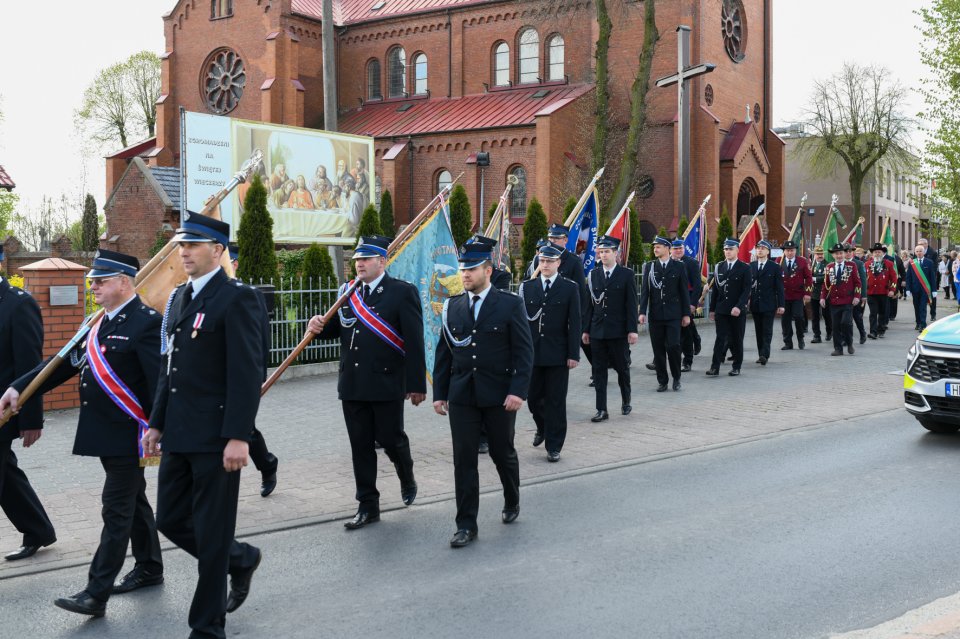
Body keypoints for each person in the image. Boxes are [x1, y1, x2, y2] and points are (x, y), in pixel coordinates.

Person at [2, 250, 163, 616]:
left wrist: (158, 427)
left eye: (101, 281)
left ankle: (96, 592)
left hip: (130, 433)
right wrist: (19, 388)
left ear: (124, 282)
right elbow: (59, 365)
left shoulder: (146, 323)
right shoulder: (99, 322)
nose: (93, 287)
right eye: (92, 280)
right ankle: (151, 566)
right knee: (134, 500)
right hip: (105, 432)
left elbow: (160, 382)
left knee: (116, 509)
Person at [142, 211, 264, 639]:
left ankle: (207, 626)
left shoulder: (237, 298)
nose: (184, 252)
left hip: (216, 438)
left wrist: (238, 436)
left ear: (218, 250)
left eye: (192, 245)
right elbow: (168, 368)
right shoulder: (179, 298)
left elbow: (246, 374)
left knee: (211, 532)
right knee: (171, 520)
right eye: (181, 245)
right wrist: (156, 423)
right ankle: (239, 559)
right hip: (178, 432)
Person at [307, 235, 425, 529]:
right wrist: (317, 327)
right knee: (360, 445)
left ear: (382, 262)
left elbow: (414, 340)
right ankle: (367, 505)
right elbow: (337, 329)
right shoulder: (347, 292)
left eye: (365, 259)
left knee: (390, 439)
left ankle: (405, 472)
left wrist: (417, 383)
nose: (358, 264)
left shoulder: (401, 292)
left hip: (386, 382)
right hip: (353, 383)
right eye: (357, 259)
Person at [433, 241, 533, 548]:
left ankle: (512, 498)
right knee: (463, 460)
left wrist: (518, 391)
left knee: (502, 453)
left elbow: (524, 352)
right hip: (462, 395)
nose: (465, 274)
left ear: (487, 271)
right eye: (462, 269)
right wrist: (440, 393)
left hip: (499, 395)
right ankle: (466, 524)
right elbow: (444, 354)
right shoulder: (453, 306)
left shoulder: (509, 304)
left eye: (471, 269)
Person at [0, 252, 56, 562]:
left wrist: (32, 419)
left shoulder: (18, 304)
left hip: (5, 410)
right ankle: (38, 530)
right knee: (7, 475)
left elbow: (30, 366)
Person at [519, 243, 580, 462]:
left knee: (556, 401)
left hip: (558, 354)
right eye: (542, 261)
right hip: (532, 355)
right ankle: (542, 427)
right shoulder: (527, 287)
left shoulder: (569, 288)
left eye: (549, 261)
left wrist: (574, 354)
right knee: (534, 399)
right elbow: (521, 324)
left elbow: (575, 322)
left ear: (558, 263)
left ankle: (554, 446)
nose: (545, 265)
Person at [228, 244, 279, 498]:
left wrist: (259, 376)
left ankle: (267, 465)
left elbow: (261, 340)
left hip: (240, 379)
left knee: (244, 428)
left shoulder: (246, 295)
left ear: (234, 264)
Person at [464, 234, 510, 455]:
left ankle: (488, 436)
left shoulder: (501, 277)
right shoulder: (465, 279)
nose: (467, 271)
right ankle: (479, 436)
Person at [583, 236, 638, 421]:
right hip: (598, 330)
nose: (603, 254)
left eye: (607, 251)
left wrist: (632, 330)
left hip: (618, 331)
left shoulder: (626, 274)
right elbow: (589, 305)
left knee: (622, 368)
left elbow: (631, 304)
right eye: (601, 251)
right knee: (599, 371)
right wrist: (586, 330)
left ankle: (626, 400)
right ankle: (602, 409)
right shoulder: (593, 275)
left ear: (616, 253)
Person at [639, 236, 691, 391]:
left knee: (674, 346)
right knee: (658, 349)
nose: (655, 249)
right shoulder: (650, 267)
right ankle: (662, 380)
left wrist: (686, 314)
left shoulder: (678, 267)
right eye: (654, 247)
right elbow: (645, 292)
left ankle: (676, 377)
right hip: (656, 315)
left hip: (673, 314)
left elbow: (684, 292)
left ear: (668, 248)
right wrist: (642, 312)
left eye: (658, 247)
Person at [706, 238, 752, 377]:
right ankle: (715, 367)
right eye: (725, 249)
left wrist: (739, 306)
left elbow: (746, 290)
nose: (727, 252)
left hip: (737, 311)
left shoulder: (745, 268)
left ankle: (736, 366)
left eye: (730, 249)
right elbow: (716, 290)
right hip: (722, 309)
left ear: (737, 250)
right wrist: (712, 309)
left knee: (736, 339)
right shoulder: (719, 267)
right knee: (720, 338)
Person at [820, 242, 862, 355]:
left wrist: (857, 296)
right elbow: (826, 284)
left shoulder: (851, 266)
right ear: (833, 255)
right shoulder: (829, 267)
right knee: (836, 326)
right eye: (836, 254)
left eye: (841, 253)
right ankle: (838, 348)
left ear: (844, 254)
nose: (839, 256)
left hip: (848, 301)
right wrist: (823, 298)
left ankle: (849, 342)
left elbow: (858, 283)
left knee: (846, 323)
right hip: (834, 301)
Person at [749, 240, 785, 365]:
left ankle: (765, 354)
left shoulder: (774, 267)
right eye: (758, 248)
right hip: (755, 303)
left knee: (767, 330)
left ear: (768, 251)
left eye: (763, 248)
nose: (760, 250)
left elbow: (779, 287)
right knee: (758, 330)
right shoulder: (751, 266)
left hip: (769, 304)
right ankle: (761, 354)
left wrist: (781, 305)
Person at [670, 240, 702, 371]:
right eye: (675, 248)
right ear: (671, 249)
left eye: (680, 248)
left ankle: (687, 361)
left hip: (686, 301)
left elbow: (696, 285)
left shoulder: (691, 263)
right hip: (672, 303)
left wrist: (693, 304)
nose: (678, 251)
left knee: (686, 332)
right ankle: (657, 360)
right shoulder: (668, 263)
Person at [779, 240, 812, 350]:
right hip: (784, 295)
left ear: (795, 250)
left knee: (798, 317)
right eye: (787, 250)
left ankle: (800, 338)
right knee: (785, 320)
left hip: (798, 295)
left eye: (792, 250)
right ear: (784, 251)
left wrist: (807, 293)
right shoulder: (779, 261)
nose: (789, 253)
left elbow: (808, 278)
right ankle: (788, 342)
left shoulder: (802, 261)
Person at [865, 242, 898, 339]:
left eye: (879, 252)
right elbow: (863, 278)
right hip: (871, 292)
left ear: (883, 253)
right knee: (873, 313)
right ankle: (873, 332)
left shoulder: (889, 264)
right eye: (875, 252)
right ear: (872, 254)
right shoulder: (867, 264)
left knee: (883, 313)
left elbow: (894, 278)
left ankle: (881, 329)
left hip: (884, 292)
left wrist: (892, 290)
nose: (877, 254)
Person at [905, 243, 937, 331]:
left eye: (920, 251)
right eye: (917, 251)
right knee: (916, 306)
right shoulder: (912, 263)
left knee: (923, 306)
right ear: (915, 252)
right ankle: (918, 322)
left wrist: (934, 290)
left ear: (924, 252)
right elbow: (908, 277)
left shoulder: (929, 262)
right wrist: (907, 289)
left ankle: (923, 324)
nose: (919, 253)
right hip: (915, 289)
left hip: (925, 289)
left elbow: (932, 277)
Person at [845, 244, 869, 344]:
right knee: (846, 318)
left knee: (856, 316)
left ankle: (862, 333)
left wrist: (863, 295)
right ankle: (846, 339)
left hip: (855, 294)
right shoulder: (840, 263)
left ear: (853, 252)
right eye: (846, 251)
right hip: (844, 295)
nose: (848, 253)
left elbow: (863, 280)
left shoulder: (858, 263)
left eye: (850, 251)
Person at [809, 246, 831, 343]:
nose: (820, 256)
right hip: (814, 293)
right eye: (818, 254)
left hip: (824, 293)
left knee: (827, 315)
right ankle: (816, 335)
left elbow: (827, 277)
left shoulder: (827, 265)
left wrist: (815, 279)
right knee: (815, 316)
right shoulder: (812, 264)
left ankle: (829, 332)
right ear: (815, 255)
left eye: (821, 254)